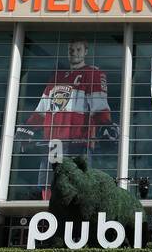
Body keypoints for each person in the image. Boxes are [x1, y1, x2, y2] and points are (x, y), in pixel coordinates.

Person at [15, 39, 118, 198]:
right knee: (48, 188)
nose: (74, 53)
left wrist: (106, 125)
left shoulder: (93, 73)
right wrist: (28, 128)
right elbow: (42, 110)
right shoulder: (57, 76)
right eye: (71, 50)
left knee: (78, 187)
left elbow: (99, 106)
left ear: (85, 52)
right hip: (53, 143)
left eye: (78, 49)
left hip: (78, 143)